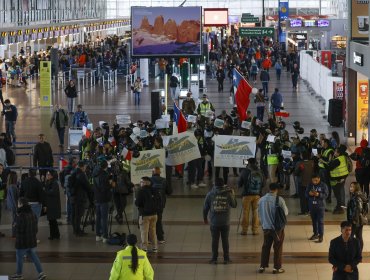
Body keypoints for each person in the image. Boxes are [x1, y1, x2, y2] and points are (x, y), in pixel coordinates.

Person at [9, 197, 46, 280]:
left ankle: (19, 274)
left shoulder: (20, 215)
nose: (17, 205)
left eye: (18, 203)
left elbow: (20, 229)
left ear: (21, 205)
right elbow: (36, 228)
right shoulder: (32, 213)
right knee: (34, 257)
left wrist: (15, 225)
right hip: (32, 241)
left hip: (22, 242)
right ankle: (41, 273)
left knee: (19, 258)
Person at [203, 178, 237, 264]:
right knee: (225, 240)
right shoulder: (228, 194)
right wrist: (233, 194)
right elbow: (234, 205)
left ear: (215, 185)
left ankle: (214, 259)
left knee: (215, 241)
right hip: (225, 222)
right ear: (223, 185)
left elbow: (205, 208)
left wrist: (205, 218)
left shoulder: (210, 194)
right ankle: (226, 258)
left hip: (214, 222)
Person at [258, 183, 288, 274]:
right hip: (277, 229)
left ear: (269, 189)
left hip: (266, 227)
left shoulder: (261, 199)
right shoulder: (279, 199)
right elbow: (286, 212)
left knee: (266, 246)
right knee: (278, 247)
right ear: (277, 190)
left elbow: (258, 213)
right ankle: (277, 268)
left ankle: (262, 266)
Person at [238, 158, 265, 235]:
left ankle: (244, 230)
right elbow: (263, 184)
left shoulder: (244, 171)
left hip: (246, 195)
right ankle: (255, 230)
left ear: (248, 163)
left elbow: (239, 184)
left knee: (245, 212)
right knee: (255, 212)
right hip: (257, 195)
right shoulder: (260, 172)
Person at [93, 160, 114, 243]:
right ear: (106, 166)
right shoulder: (105, 175)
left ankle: (98, 235)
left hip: (97, 198)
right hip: (104, 199)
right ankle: (105, 236)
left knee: (98, 218)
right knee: (104, 219)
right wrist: (111, 184)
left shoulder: (95, 174)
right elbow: (105, 188)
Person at [135, 176, 158, 252]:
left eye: (141, 182)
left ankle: (144, 247)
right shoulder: (154, 190)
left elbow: (137, 203)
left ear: (145, 183)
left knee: (144, 231)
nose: (140, 183)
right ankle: (155, 247)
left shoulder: (141, 191)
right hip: (154, 214)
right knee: (153, 231)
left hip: (144, 215)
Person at [71, 161, 93, 237]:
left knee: (74, 214)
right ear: (83, 166)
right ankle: (78, 231)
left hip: (73, 197)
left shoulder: (73, 172)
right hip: (80, 197)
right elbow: (87, 186)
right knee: (79, 215)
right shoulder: (82, 174)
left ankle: (75, 230)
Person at [151, 167, 172, 243]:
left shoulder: (149, 180)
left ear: (153, 173)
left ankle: (150, 238)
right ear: (159, 173)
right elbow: (169, 191)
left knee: (150, 220)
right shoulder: (164, 180)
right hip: (160, 204)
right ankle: (160, 238)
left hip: (151, 204)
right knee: (159, 220)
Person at [305, 174, 328, 243]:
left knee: (320, 221)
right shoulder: (310, 185)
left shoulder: (323, 185)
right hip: (312, 206)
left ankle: (321, 236)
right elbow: (305, 194)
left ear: (319, 179)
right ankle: (315, 234)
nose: (314, 182)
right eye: (313, 180)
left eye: (316, 180)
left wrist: (318, 195)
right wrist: (309, 194)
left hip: (320, 206)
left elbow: (326, 195)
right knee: (314, 221)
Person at [327, 145, 349, 214]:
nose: (334, 153)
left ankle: (340, 208)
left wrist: (330, 160)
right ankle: (340, 207)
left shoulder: (337, 160)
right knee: (340, 193)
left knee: (338, 194)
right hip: (342, 177)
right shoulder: (343, 157)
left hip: (337, 179)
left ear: (339, 153)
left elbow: (329, 167)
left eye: (335, 152)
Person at [346, 182, 368, 251]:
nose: (351, 188)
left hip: (355, 220)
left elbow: (358, 208)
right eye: (350, 186)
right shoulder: (360, 195)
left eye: (352, 187)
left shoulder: (356, 197)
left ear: (356, 188)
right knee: (359, 237)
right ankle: (359, 254)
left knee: (351, 237)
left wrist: (353, 220)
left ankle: (352, 253)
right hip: (359, 220)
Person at [44, 170, 61, 240]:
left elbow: (53, 192)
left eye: (48, 174)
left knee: (53, 221)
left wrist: (45, 191)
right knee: (52, 221)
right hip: (50, 204)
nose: (47, 176)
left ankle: (55, 235)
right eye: (47, 174)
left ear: (52, 175)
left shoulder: (54, 183)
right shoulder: (49, 182)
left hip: (53, 205)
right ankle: (54, 235)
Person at [6, 171, 18, 237]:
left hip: (11, 205)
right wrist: (17, 207)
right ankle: (14, 234)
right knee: (15, 219)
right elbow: (14, 198)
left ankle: (14, 233)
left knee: (14, 219)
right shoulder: (13, 186)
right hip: (14, 206)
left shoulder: (9, 185)